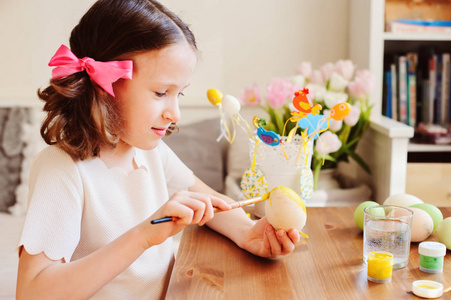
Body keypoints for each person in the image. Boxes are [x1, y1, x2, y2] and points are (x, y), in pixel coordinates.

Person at [16, 0, 301, 298]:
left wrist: (247, 233)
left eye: (180, 93)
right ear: (105, 85)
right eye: (161, 92)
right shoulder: (61, 169)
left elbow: (209, 204)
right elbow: (33, 292)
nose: (175, 113)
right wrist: (144, 235)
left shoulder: (151, 152)